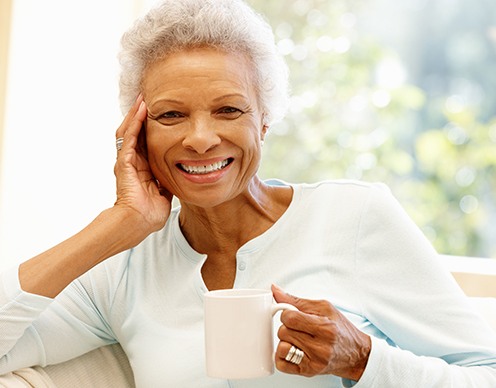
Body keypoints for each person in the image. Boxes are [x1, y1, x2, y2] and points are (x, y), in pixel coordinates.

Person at [1, 0, 495, 386]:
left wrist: (364, 359)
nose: (199, 138)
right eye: (171, 115)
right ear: (137, 133)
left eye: (228, 110)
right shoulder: (124, 266)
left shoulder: (356, 217)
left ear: (264, 121)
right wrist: (117, 223)